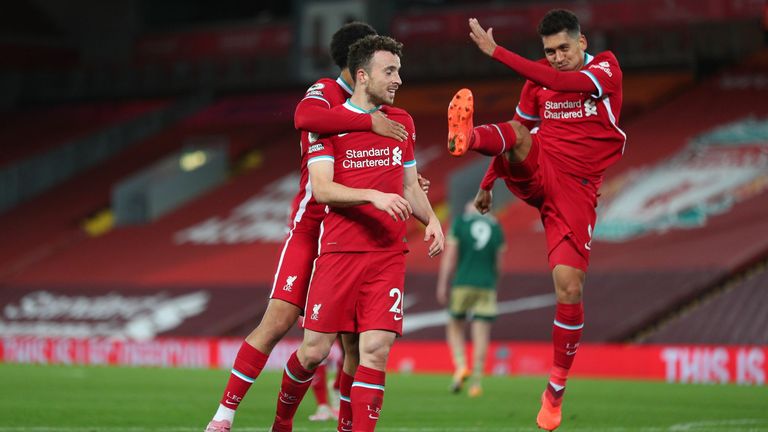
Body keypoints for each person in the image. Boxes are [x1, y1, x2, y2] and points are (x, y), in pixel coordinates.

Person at [204, 22, 426, 432]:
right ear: (358, 67)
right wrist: (367, 125)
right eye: (382, 66)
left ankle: (345, 423)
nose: (392, 76)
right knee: (279, 321)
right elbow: (303, 116)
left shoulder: (386, 109)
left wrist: (398, 183)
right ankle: (224, 415)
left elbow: (394, 171)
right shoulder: (327, 93)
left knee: (356, 345)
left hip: (354, 234)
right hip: (312, 227)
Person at [447, 10, 625, 431]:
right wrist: (488, 183)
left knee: (569, 286)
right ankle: (468, 137)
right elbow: (517, 129)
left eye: (565, 48)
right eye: (550, 51)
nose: (558, 57)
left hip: (576, 192)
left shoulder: (606, 68)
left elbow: (563, 82)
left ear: (582, 43)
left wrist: (496, 52)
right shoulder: (537, 81)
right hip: (540, 168)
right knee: (521, 134)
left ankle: (555, 391)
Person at [270, 34, 444, 432]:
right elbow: (323, 188)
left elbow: (410, 186)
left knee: (375, 351)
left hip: (386, 256)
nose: (399, 79)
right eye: (390, 71)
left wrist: (431, 220)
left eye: (399, 70)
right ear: (363, 76)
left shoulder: (403, 122)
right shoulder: (328, 126)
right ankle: (282, 423)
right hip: (338, 253)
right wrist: (373, 197)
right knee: (313, 352)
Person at [436, 200, 505, 398]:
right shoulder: (495, 227)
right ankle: (476, 382)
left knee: (454, 325)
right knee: (481, 334)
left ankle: (460, 365)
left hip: (462, 283)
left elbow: (449, 257)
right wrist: (494, 283)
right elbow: (499, 264)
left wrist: (442, 283)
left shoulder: (460, 223)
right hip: (486, 285)